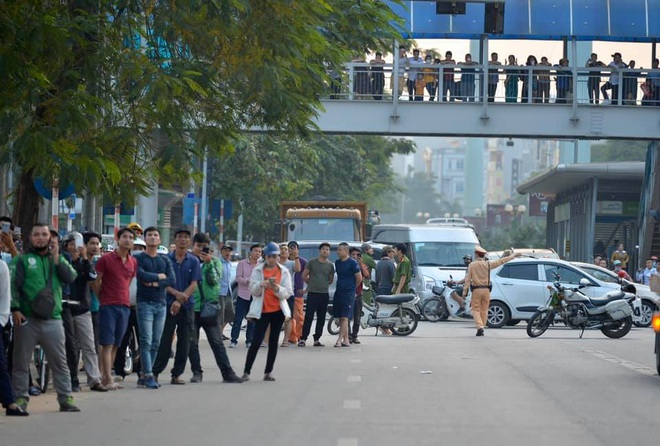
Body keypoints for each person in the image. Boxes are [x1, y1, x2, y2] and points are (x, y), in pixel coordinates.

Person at [10, 223, 80, 412]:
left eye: (44, 235)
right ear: (30, 238)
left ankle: (65, 398)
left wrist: (57, 256)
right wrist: (15, 309)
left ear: (50, 239)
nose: (40, 238)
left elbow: (71, 277)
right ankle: (21, 398)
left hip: (53, 319)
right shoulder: (22, 260)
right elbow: (13, 286)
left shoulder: (58, 260)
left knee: (60, 361)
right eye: (36, 235)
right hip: (27, 319)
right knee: (21, 362)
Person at [187, 233, 243, 384]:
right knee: (192, 343)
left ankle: (227, 373)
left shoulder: (215, 262)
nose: (201, 249)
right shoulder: (189, 261)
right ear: (194, 246)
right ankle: (196, 372)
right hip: (192, 307)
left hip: (209, 307)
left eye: (205, 247)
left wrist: (209, 263)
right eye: (198, 246)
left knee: (217, 342)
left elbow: (214, 280)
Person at [152, 228, 200, 385]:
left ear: (189, 241)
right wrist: (175, 295)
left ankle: (177, 374)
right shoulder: (165, 260)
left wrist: (180, 300)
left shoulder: (193, 260)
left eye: (186, 237)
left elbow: (194, 284)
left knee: (185, 342)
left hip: (187, 306)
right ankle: (155, 372)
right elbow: (162, 282)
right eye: (180, 237)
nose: (183, 240)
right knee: (164, 340)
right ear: (175, 240)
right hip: (167, 305)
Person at [61, 232, 106, 393]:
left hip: (82, 308)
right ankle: (70, 378)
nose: (75, 247)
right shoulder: (61, 261)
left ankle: (94, 379)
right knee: (69, 346)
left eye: (78, 244)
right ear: (65, 246)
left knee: (89, 345)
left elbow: (92, 276)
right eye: (71, 244)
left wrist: (84, 258)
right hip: (64, 307)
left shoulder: (85, 262)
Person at [93, 226, 137, 390]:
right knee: (106, 343)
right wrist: (101, 296)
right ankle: (106, 378)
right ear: (118, 239)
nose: (128, 240)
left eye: (131, 238)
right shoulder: (106, 259)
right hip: (108, 305)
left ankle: (106, 378)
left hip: (124, 306)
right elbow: (96, 281)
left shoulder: (133, 262)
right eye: (125, 237)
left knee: (117, 344)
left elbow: (128, 281)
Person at [242, 242, 292, 382]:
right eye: (270, 256)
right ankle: (246, 371)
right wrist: (261, 285)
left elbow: (287, 293)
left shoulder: (284, 271)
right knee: (256, 341)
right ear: (265, 256)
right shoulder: (258, 270)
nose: (272, 259)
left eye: (275, 256)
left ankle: (268, 372)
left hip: (278, 311)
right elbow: (252, 290)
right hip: (262, 310)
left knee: (273, 341)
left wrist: (277, 288)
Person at [134, 227, 175, 389]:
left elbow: (171, 279)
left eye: (155, 235)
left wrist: (154, 282)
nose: (152, 237)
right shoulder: (139, 259)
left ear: (159, 240)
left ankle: (145, 373)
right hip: (144, 303)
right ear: (145, 239)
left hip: (161, 303)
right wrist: (160, 277)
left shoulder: (164, 260)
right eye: (149, 235)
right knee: (146, 340)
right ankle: (149, 375)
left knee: (156, 342)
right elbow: (141, 276)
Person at [463, 245, 521, 336]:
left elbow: (467, 280)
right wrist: (513, 256)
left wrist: (464, 292)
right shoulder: (488, 264)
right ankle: (482, 325)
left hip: (476, 290)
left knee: (475, 310)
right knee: (484, 309)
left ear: (477, 255)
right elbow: (501, 261)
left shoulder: (472, 265)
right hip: (486, 290)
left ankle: (480, 327)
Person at [113, 237, 145, 382]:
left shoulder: (147, 266)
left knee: (144, 341)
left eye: (141, 248)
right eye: (136, 247)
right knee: (121, 340)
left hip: (142, 308)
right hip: (125, 307)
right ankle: (119, 370)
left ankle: (143, 371)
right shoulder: (126, 264)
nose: (138, 250)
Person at [0, 260, 29, 416]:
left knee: (1, 364)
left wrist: (2, 320)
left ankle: (9, 402)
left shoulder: (1, 267)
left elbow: (5, 297)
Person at [299, 242, 334, 347]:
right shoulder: (312, 262)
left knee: (321, 317)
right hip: (312, 293)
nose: (325, 251)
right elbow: (304, 276)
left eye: (327, 249)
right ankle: (303, 338)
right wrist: (312, 283)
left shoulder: (330, 265)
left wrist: (322, 283)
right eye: (323, 249)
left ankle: (317, 339)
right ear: (320, 251)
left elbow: (330, 280)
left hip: (324, 293)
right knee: (309, 316)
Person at [229, 244, 261, 348]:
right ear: (251, 252)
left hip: (255, 296)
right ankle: (233, 340)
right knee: (238, 319)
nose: (258, 253)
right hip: (243, 295)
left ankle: (249, 341)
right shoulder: (242, 263)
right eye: (256, 251)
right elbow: (238, 278)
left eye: (259, 252)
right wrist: (248, 280)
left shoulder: (261, 265)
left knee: (251, 320)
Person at [334, 243, 361, 348]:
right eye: (337, 250)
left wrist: (353, 289)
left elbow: (359, 278)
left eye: (339, 250)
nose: (337, 252)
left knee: (345, 317)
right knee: (340, 317)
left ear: (346, 251)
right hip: (339, 291)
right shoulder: (337, 263)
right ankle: (346, 340)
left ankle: (339, 340)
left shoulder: (353, 263)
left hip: (349, 292)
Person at [278, 243, 300, 347]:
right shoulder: (275, 263)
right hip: (275, 293)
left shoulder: (291, 263)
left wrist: (296, 255)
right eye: (281, 249)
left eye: (285, 249)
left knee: (288, 318)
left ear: (288, 252)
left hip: (288, 294)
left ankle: (286, 339)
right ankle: (269, 339)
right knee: (273, 318)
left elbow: (298, 269)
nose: (283, 251)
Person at [287, 241, 307, 345]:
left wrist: (306, 289)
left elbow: (309, 276)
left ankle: (300, 337)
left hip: (298, 293)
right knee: (288, 317)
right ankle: (291, 337)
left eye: (294, 248)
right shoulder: (284, 261)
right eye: (290, 248)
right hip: (286, 293)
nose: (292, 250)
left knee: (299, 316)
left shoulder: (302, 262)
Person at [349, 247, 370, 344]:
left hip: (358, 294)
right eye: (353, 254)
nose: (355, 257)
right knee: (347, 317)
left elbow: (367, 275)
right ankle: (348, 335)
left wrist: (361, 264)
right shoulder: (347, 265)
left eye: (357, 255)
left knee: (357, 317)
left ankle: (354, 336)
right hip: (349, 294)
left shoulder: (362, 265)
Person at [218, 244, 235, 337]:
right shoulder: (218, 263)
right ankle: (219, 334)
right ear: (221, 252)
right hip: (220, 292)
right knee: (220, 314)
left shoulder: (229, 263)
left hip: (228, 291)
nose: (228, 253)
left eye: (229, 251)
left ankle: (220, 332)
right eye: (225, 250)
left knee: (230, 314)